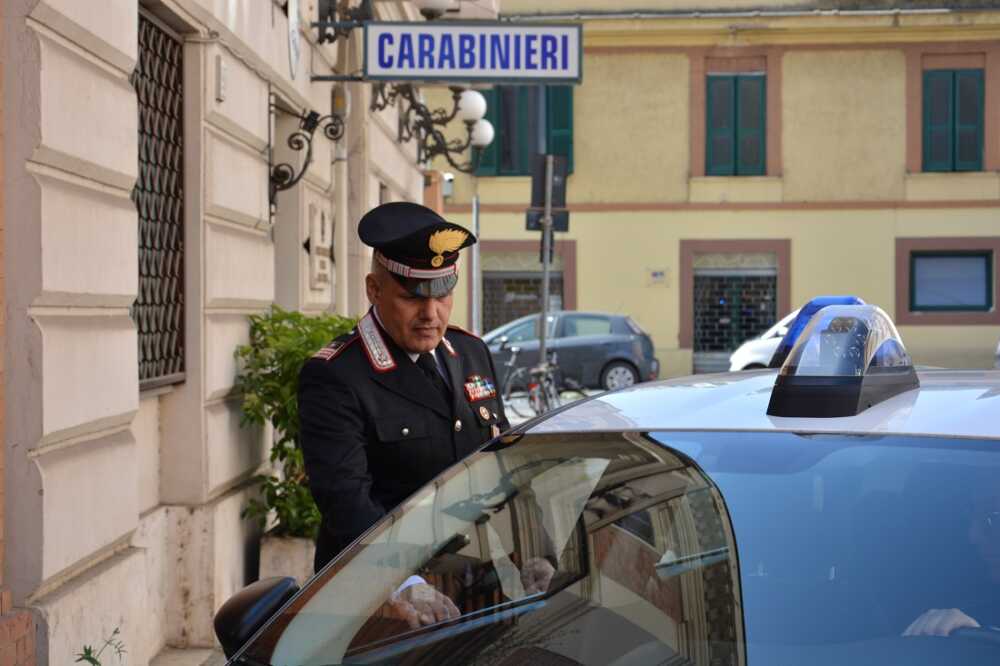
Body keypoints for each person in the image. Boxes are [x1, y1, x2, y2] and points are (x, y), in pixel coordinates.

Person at [298, 202, 510, 626]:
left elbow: (502, 467)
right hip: (383, 599)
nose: (431, 314)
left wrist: (529, 554)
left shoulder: (470, 353)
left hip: (474, 587)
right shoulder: (335, 376)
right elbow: (348, 502)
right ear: (374, 290)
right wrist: (405, 583)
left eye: (443, 294)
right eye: (412, 297)